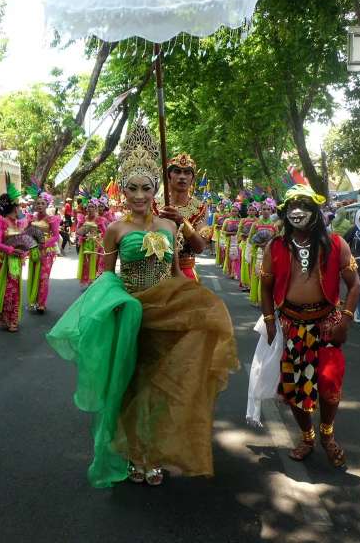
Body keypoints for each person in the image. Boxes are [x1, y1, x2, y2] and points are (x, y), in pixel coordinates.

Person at [47, 123, 237, 488]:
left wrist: (192, 304)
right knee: (131, 385)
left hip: (163, 312)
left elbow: (178, 271)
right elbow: (105, 276)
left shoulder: (169, 225)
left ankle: (153, 454)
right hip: (130, 311)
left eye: (145, 188)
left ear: (154, 190)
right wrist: (114, 306)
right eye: (131, 188)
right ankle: (133, 455)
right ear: (123, 189)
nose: (138, 195)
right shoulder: (115, 229)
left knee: (159, 384)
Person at [259, 184, 360, 467]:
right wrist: (269, 323)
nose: (297, 212)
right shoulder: (275, 246)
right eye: (291, 207)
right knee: (295, 389)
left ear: (315, 212)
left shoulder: (337, 244)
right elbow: (265, 288)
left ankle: (327, 435)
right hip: (291, 326)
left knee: (329, 383)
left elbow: (355, 286)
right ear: (284, 213)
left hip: (327, 324)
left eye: (303, 206)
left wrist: (346, 319)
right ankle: (307, 436)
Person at [157, 153, 209, 281]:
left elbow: (200, 247)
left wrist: (182, 221)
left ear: (192, 179)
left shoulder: (200, 208)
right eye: (177, 171)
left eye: (187, 173)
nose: (182, 176)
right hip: (157, 272)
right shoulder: (154, 205)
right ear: (168, 176)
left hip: (186, 274)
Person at [0, 187, 28, 332]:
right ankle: (7, 317)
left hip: (15, 261)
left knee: (14, 290)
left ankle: (13, 319)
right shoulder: (0, 222)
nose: (21, 210)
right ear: (14, 207)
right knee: (5, 290)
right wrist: (12, 249)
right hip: (3, 261)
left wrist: (23, 249)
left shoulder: (19, 223)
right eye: (19, 206)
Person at [26, 193, 61, 313]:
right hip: (34, 249)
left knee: (43, 277)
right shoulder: (31, 218)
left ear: (47, 205)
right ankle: (33, 300)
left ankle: (41, 303)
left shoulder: (52, 219)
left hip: (46, 251)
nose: (40, 205)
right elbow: (27, 233)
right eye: (38, 203)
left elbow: (56, 236)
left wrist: (44, 244)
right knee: (34, 274)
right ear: (35, 205)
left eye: (42, 203)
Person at [248, 198, 278, 306]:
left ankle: (265, 300)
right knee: (256, 275)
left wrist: (269, 245)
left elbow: (277, 240)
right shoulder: (255, 224)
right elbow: (251, 239)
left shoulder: (274, 226)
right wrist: (259, 245)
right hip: (258, 253)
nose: (265, 211)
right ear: (260, 211)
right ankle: (256, 298)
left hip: (269, 254)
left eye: (268, 209)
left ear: (271, 211)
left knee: (267, 276)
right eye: (263, 209)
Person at [75, 199, 107, 287]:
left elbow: (105, 233)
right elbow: (77, 231)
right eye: (88, 207)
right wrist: (81, 237)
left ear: (96, 208)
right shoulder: (82, 219)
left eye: (92, 207)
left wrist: (98, 238)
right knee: (86, 262)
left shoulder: (99, 220)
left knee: (96, 263)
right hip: (85, 244)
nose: (90, 208)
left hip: (96, 245)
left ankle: (94, 280)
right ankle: (88, 280)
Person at [239, 202, 259, 291]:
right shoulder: (243, 220)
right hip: (245, 243)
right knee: (246, 263)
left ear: (256, 211)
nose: (251, 211)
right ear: (247, 212)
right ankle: (246, 284)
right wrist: (243, 235)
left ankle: (253, 285)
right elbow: (239, 232)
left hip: (255, 245)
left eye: (253, 210)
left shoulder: (258, 221)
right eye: (250, 210)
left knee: (254, 264)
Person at [221, 203, 242, 279]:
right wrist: (231, 233)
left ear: (238, 212)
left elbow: (241, 231)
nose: (234, 212)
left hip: (237, 241)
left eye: (236, 211)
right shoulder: (227, 220)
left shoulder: (240, 221)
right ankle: (230, 272)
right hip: (229, 241)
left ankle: (235, 272)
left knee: (237, 257)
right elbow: (223, 231)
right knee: (229, 256)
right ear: (230, 212)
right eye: (233, 211)